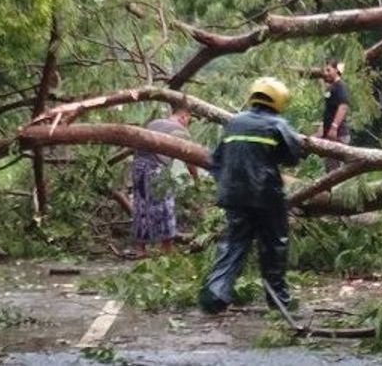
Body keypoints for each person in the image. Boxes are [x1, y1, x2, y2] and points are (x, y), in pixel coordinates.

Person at [198, 76, 304, 314]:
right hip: (266, 196)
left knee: (233, 244)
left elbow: (215, 160)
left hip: (234, 196)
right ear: (278, 100)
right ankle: (278, 302)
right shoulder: (278, 124)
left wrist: (226, 184)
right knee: (274, 246)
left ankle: (214, 296)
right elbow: (293, 156)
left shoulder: (233, 123)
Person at [132, 105, 194, 256]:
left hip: (138, 165)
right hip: (155, 168)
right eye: (188, 121)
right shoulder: (180, 130)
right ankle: (167, 247)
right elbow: (190, 158)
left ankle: (140, 249)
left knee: (141, 206)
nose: (187, 124)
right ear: (183, 117)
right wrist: (196, 179)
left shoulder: (154, 123)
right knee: (165, 207)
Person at [320, 58, 350, 173]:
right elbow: (328, 112)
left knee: (334, 172)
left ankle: (336, 191)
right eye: (325, 71)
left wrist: (334, 127)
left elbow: (343, 106)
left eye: (328, 70)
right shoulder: (331, 88)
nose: (326, 73)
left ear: (336, 70)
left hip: (338, 135)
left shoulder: (340, 86)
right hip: (329, 136)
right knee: (329, 168)